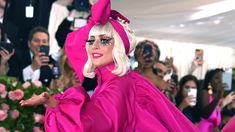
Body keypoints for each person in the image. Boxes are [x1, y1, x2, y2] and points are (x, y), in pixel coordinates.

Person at [20, 0, 198, 131]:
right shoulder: (115, 79)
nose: (94, 46)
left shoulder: (118, 84)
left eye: (104, 41)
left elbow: (90, 125)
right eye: (91, 40)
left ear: (118, 47)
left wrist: (53, 102)